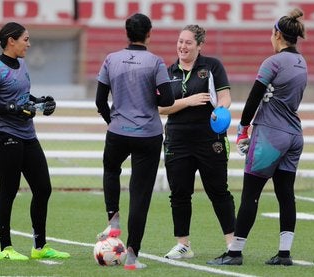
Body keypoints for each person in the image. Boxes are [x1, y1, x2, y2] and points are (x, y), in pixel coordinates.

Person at [207, 8, 307, 266]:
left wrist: (243, 128)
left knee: (250, 194)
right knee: (286, 194)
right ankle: (284, 254)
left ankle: (235, 252)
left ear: (277, 35)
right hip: (294, 135)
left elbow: (254, 97)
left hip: (270, 136)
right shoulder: (301, 62)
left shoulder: (272, 62)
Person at [0, 22, 70, 261]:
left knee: (43, 188)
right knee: (9, 190)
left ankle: (39, 247)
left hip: (27, 135)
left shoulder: (21, 64)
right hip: (4, 135)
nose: (29, 44)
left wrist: (40, 102)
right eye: (26, 39)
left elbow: (20, 96)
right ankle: (5, 249)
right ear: (12, 41)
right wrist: (13, 109)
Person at [95, 13, 174, 270]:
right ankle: (132, 256)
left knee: (110, 169)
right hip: (148, 135)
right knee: (140, 195)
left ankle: (113, 219)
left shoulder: (111, 59)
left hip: (118, 132)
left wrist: (113, 121)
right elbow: (167, 101)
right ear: (149, 34)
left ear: (126, 33)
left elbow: (99, 100)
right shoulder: (155, 62)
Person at [159, 25, 236, 260]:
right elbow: (161, 108)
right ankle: (183, 244)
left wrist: (220, 110)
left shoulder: (212, 66)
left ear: (200, 45)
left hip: (209, 139)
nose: (182, 46)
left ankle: (233, 244)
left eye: (188, 42)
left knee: (218, 191)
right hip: (177, 140)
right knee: (179, 194)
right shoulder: (167, 71)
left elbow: (225, 97)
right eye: (180, 41)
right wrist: (188, 101)